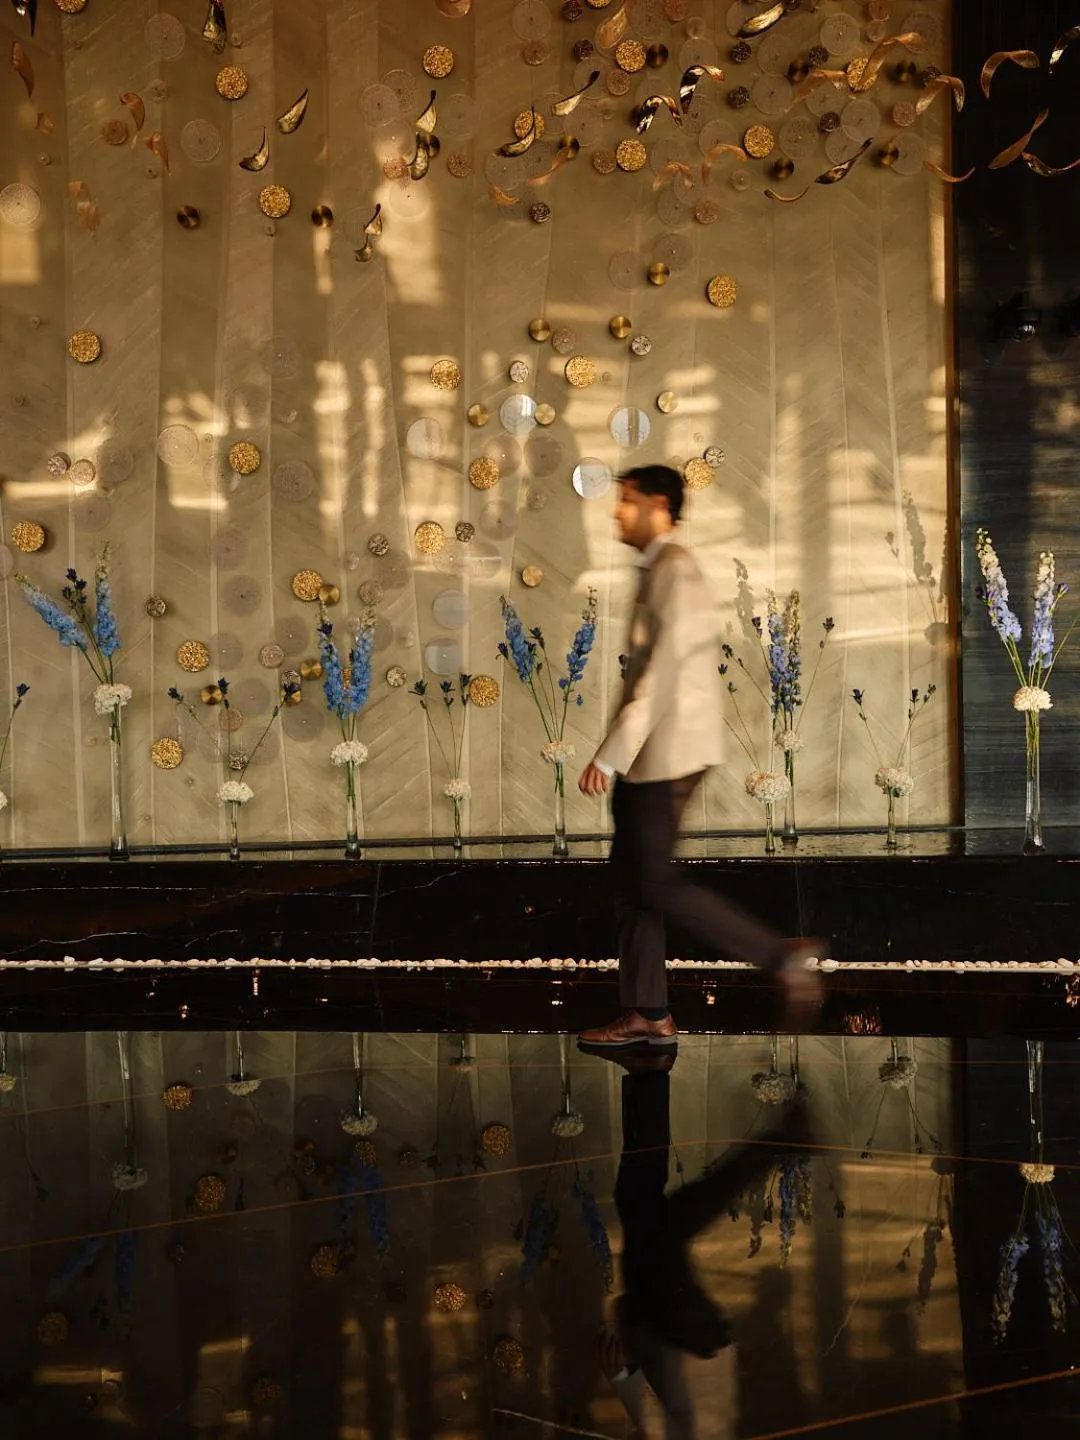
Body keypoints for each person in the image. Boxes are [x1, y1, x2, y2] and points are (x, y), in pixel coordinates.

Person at [577, 465, 822, 1048]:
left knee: (653, 881)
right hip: (655, 752)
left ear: (659, 506)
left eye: (627, 501)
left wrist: (611, 753)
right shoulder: (661, 568)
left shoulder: (675, 570)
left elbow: (662, 674)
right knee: (634, 882)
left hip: (667, 752)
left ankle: (780, 957)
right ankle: (647, 1014)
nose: (617, 512)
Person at [596, 1048, 808, 1437]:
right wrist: (624, 1376)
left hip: (678, 1339)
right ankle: (779, 1143)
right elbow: (665, 1431)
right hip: (685, 1342)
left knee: (638, 1200)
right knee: (660, 1225)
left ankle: (649, 1078)